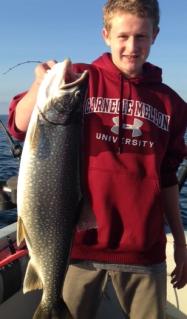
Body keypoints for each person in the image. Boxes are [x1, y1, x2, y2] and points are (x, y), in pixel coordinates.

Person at [8, 0, 187, 318]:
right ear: (106, 34)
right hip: (77, 248)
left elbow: (169, 176)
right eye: (123, 36)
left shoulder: (172, 103)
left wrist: (181, 244)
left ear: (155, 36)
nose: (132, 47)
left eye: (141, 37)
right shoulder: (80, 79)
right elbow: (20, 126)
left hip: (145, 250)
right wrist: (40, 85)